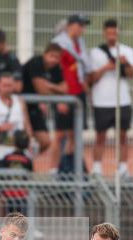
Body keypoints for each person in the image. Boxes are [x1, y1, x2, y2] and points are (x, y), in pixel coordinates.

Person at [89, 19, 133, 177]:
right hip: (101, 101)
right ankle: (97, 168)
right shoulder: (95, 53)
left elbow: (132, 74)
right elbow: (90, 78)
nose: (111, 35)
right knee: (100, 136)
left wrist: (126, 64)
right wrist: (106, 68)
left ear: (118, 32)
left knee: (122, 136)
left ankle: (123, 168)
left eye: (114, 32)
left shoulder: (127, 51)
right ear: (104, 32)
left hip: (122, 100)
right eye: (109, 32)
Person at [53, 13, 91, 174]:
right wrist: (60, 98)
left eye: (83, 26)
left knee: (75, 135)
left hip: (78, 92)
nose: (82, 29)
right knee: (60, 134)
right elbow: (56, 70)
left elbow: (84, 68)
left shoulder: (80, 43)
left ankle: (66, 168)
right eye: (79, 25)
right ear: (70, 25)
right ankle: (53, 169)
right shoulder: (59, 44)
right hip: (65, 93)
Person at [21, 43, 66, 167]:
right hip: (21, 106)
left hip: (34, 107)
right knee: (24, 139)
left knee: (45, 142)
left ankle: (26, 160)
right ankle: (19, 162)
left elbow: (66, 87)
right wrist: (57, 92)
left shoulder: (56, 68)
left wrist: (50, 85)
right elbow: (40, 89)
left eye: (57, 57)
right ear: (45, 54)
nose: (54, 60)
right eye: (51, 56)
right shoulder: (36, 62)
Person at [0, 72, 32, 160]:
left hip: (18, 147)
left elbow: (27, 124)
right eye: (4, 85)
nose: (7, 88)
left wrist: (29, 142)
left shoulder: (20, 101)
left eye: (10, 85)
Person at [0, 131, 34, 214]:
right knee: (21, 220)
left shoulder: (7, 158)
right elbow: (30, 177)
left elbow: (2, 176)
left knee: (8, 220)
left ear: (14, 142)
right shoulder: (27, 160)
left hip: (8, 194)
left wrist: (1, 193)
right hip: (22, 195)